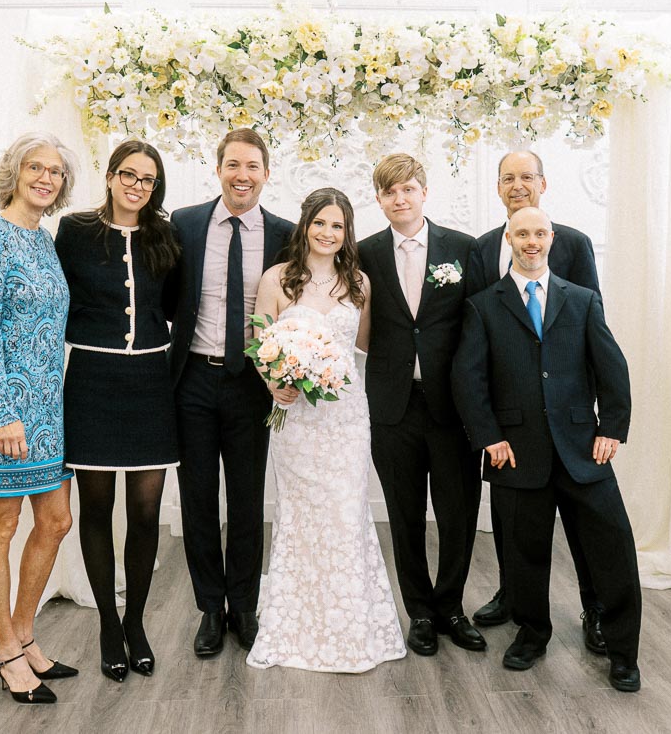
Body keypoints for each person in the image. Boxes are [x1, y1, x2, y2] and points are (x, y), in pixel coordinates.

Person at [452, 206, 642, 692]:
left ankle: (623, 650)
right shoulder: (483, 306)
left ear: (552, 238)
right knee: (523, 554)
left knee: (613, 550)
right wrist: (489, 436)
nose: (531, 241)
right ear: (509, 240)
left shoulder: (582, 300)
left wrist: (612, 427)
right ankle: (532, 634)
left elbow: (612, 367)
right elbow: (468, 379)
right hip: (515, 452)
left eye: (539, 233)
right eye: (522, 234)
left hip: (583, 449)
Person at [246, 188, 406, 673]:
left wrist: (326, 368)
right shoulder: (277, 278)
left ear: (346, 232)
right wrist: (276, 381)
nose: (328, 233)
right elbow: (260, 341)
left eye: (337, 226)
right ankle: (295, 624)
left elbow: (361, 347)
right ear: (305, 225)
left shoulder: (358, 283)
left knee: (346, 511)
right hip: (295, 420)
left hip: (346, 418)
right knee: (299, 515)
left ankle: (351, 624)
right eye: (320, 223)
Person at [465, 150, 607, 656]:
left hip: (567, 416)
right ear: (497, 187)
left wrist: (593, 417)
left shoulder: (573, 242)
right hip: (511, 417)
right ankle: (513, 596)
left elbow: (593, 327)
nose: (518, 185)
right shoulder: (483, 247)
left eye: (527, 176)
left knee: (585, 525)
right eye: (508, 178)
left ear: (543, 184)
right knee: (514, 520)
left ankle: (595, 612)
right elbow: (477, 330)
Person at [165, 128, 295, 657]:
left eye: (252, 166)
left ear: (266, 173)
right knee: (197, 497)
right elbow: (167, 294)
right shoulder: (185, 223)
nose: (242, 176)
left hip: (251, 381)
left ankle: (244, 605)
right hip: (192, 378)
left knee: (246, 497)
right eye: (233, 165)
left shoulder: (285, 233)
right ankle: (209, 608)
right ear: (218, 169)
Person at [55, 140, 180, 682]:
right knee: (98, 508)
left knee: (146, 512)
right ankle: (108, 623)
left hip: (151, 381)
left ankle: (136, 622)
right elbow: (55, 301)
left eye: (148, 180)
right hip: (92, 381)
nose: (137, 186)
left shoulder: (165, 234)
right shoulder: (75, 231)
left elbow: (174, 304)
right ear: (109, 176)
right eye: (128, 175)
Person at [0, 133, 80, 704]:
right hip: (4, 410)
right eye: (35, 167)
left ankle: (25, 634)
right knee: (2, 526)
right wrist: (6, 413)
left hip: (49, 409)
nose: (45, 178)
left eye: (55, 172)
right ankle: (6, 650)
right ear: (14, 172)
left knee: (55, 521)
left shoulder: (44, 240)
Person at [357, 154, 486, 657]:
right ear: (379, 199)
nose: (400, 199)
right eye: (390, 192)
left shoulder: (463, 248)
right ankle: (421, 614)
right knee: (404, 514)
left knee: (458, 513)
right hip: (393, 405)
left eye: (408, 189)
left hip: (453, 407)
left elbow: (478, 325)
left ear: (424, 192)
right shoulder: (364, 253)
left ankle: (451, 607)